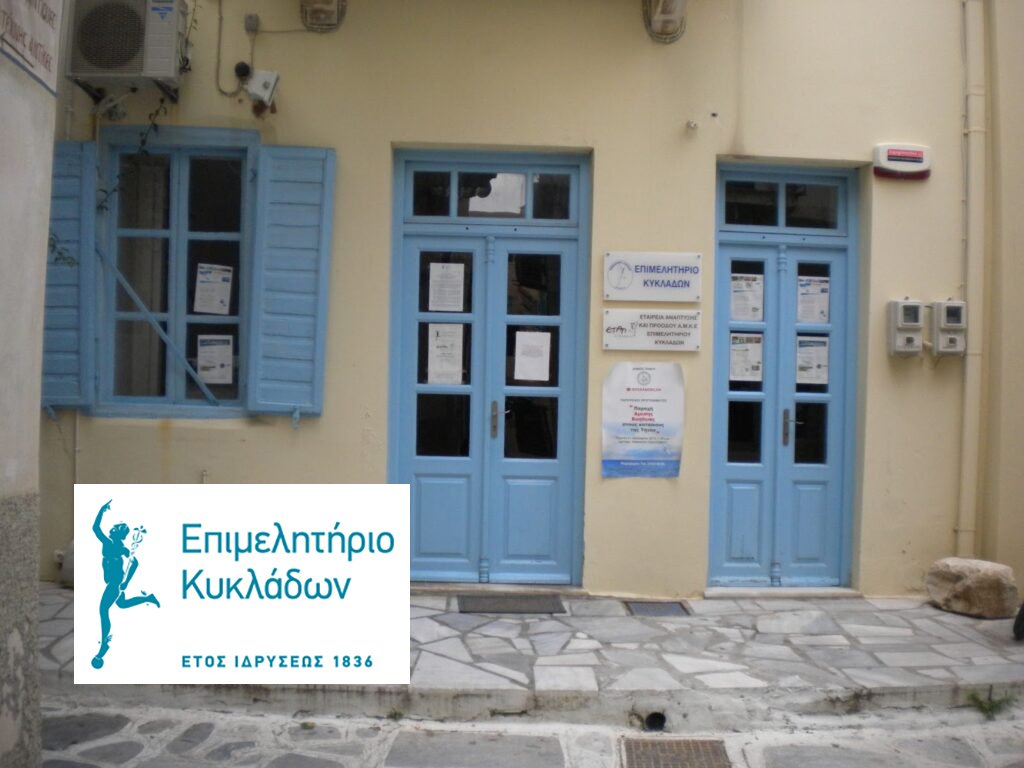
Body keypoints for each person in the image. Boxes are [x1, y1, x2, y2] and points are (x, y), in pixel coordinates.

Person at [91, 499, 159, 669]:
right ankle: (148, 598)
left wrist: (125, 583)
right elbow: (95, 528)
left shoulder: (113, 545)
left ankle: (103, 645)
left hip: (115, 582)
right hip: (114, 580)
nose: (112, 530)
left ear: (117, 534)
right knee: (122, 604)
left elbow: (135, 563)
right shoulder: (116, 545)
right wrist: (101, 510)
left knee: (103, 610)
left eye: (115, 529)